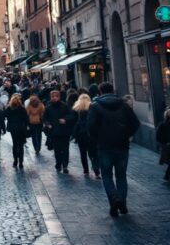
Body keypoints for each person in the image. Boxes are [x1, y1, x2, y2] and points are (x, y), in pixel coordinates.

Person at [87, 81, 140, 216]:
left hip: (104, 146)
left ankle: (114, 198)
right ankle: (122, 202)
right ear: (113, 91)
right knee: (121, 175)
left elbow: (90, 127)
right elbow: (135, 123)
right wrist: (126, 135)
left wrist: (98, 138)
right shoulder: (123, 105)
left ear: (100, 92)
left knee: (106, 175)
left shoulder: (95, 106)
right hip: (122, 145)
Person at [43, 90, 75, 174]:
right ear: (50, 97)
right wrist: (48, 124)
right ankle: (58, 164)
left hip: (64, 131)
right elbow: (44, 118)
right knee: (57, 149)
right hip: (54, 131)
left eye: (56, 96)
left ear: (59, 97)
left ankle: (65, 165)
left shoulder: (64, 106)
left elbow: (72, 115)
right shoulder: (48, 107)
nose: (54, 98)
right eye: (53, 96)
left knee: (65, 149)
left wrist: (65, 120)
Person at [72, 94, 99, 177]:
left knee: (83, 153)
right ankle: (96, 171)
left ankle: (86, 170)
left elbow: (74, 123)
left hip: (81, 135)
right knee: (93, 153)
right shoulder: (92, 108)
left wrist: (74, 135)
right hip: (91, 134)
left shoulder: (76, 109)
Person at [4, 94, 29, 169]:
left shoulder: (9, 108)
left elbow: (4, 115)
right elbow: (26, 119)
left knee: (15, 144)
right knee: (21, 145)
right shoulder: (22, 108)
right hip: (21, 128)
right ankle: (21, 162)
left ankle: (15, 161)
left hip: (13, 129)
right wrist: (27, 126)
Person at [157, 108, 170, 182]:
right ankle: (167, 175)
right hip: (167, 146)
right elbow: (158, 136)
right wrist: (165, 142)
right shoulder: (163, 124)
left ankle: (167, 176)